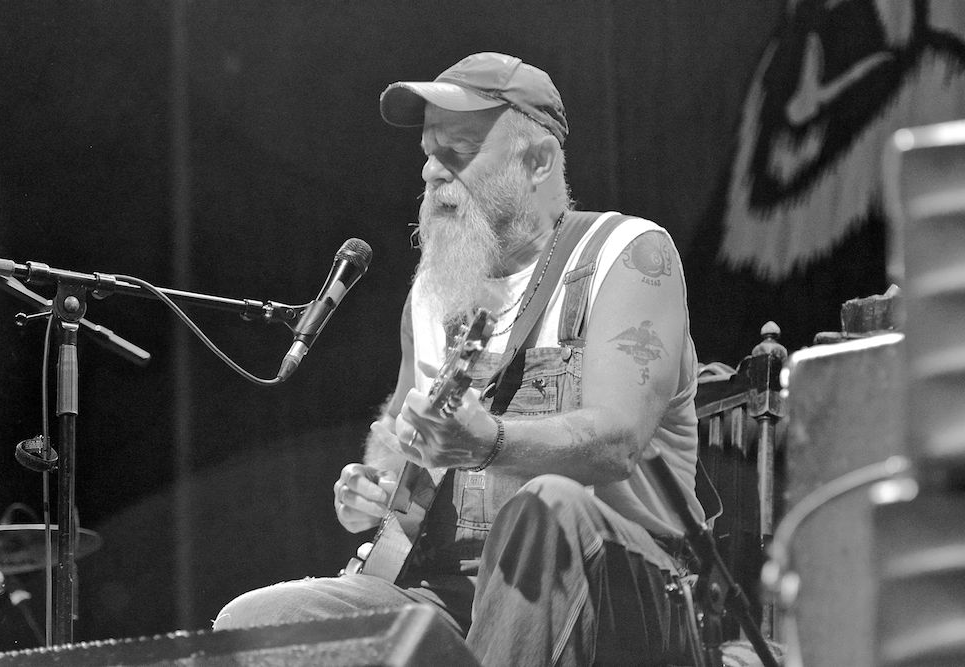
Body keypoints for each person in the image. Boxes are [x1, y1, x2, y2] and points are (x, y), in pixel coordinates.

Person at [214, 52, 704, 666]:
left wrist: (487, 442)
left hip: (627, 599)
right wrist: (372, 488)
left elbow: (618, 442)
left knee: (548, 507)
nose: (431, 171)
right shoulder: (433, 293)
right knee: (257, 623)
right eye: (428, 151)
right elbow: (398, 442)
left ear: (537, 162)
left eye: (460, 151)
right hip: (456, 604)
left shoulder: (628, 255)